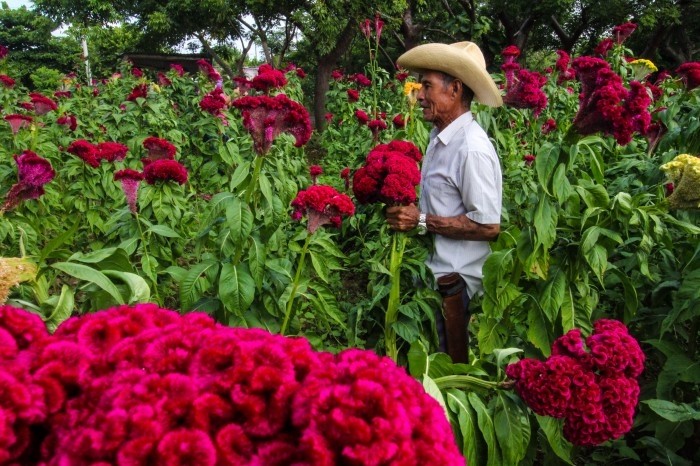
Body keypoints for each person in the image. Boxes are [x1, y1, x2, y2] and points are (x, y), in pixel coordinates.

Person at [386, 41, 503, 363]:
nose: (419, 95)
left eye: (427, 86)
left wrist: (420, 221)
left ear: (454, 89)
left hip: (456, 288)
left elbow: (489, 226)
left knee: (447, 372)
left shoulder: (471, 149)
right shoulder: (441, 138)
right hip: (434, 278)